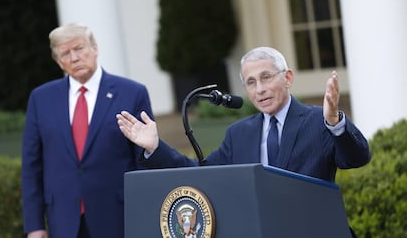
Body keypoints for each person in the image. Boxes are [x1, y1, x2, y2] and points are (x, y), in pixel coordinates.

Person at [116, 46, 371, 183]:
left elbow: (357, 158)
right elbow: (200, 174)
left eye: (266, 77)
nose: (259, 89)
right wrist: (155, 147)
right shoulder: (239, 134)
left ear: (288, 78)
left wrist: (335, 122)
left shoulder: (319, 121)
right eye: (250, 82)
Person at [22, 23, 153, 238]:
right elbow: (32, 166)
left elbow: (143, 159)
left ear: (95, 48)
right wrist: (35, 226)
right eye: (65, 53)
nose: (74, 57)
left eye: (79, 48)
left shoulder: (131, 93)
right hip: (63, 219)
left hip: (117, 216)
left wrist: (145, 213)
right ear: (58, 61)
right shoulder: (41, 98)